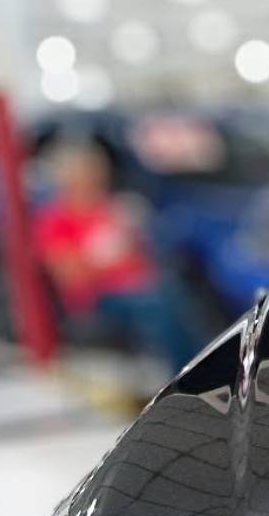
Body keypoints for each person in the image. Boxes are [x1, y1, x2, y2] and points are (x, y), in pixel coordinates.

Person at [33, 142, 200, 375]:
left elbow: (140, 258)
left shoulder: (112, 209)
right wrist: (108, 261)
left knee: (177, 295)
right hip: (97, 299)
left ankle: (199, 365)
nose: (94, 177)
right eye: (86, 171)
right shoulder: (56, 220)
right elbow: (71, 277)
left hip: (137, 286)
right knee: (157, 305)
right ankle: (184, 373)